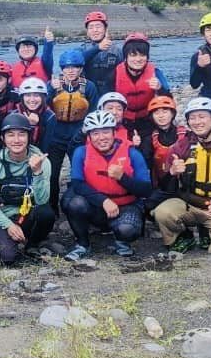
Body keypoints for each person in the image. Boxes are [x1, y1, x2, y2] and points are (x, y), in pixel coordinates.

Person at [153, 98, 211, 254]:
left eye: (202, 116)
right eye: (192, 118)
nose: (197, 122)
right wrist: (172, 173)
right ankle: (183, 236)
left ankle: (208, 233)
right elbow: (166, 188)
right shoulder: (181, 146)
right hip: (190, 203)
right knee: (162, 212)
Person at [62, 110, 152, 261]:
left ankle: (121, 240)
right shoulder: (81, 152)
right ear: (89, 136)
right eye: (95, 133)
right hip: (96, 206)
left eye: (106, 132)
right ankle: (82, 244)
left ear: (114, 132)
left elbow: (146, 190)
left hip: (126, 206)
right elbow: (77, 184)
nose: (101, 138)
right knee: (74, 203)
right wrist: (104, 201)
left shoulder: (132, 153)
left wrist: (123, 178)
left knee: (127, 230)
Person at [0, 112, 54, 263]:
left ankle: (32, 244)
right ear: (3, 138)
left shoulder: (42, 161)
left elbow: (42, 200)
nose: (16, 140)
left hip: (29, 214)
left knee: (46, 213)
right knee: (6, 258)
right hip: (3, 216)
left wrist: (37, 172)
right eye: (10, 135)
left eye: (22, 134)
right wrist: (8, 225)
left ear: (29, 137)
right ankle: (0, 239)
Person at [47, 49, 98, 213]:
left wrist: (88, 134)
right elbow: (43, 106)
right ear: (62, 69)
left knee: (80, 172)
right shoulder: (54, 85)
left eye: (75, 67)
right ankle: (52, 207)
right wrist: (49, 90)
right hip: (56, 135)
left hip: (78, 135)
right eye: (67, 67)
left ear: (81, 69)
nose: (70, 71)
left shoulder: (88, 87)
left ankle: (80, 205)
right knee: (52, 174)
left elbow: (94, 110)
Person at [104, 33, 171, 137]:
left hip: (148, 119)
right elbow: (105, 103)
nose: (138, 59)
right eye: (133, 55)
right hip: (123, 121)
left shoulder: (156, 72)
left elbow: (169, 99)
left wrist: (160, 88)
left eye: (142, 55)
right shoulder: (114, 75)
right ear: (126, 57)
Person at [81, 10, 122, 94]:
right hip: (89, 95)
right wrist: (98, 48)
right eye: (91, 27)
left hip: (111, 95)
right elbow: (77, 61)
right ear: (87, 32)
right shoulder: (82, 49)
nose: (95, 30)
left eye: (98, 26)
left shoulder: (117, 50)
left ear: (105, 29)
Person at [16, 77, 56, 153]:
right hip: (18, 153)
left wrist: (33, 127)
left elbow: (46, 146)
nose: (32, 100)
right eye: (28, 95)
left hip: (39, 154)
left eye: (36, 95)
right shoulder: (15, 114)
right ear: (22, 98)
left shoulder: (50, 117)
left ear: (43, 97)